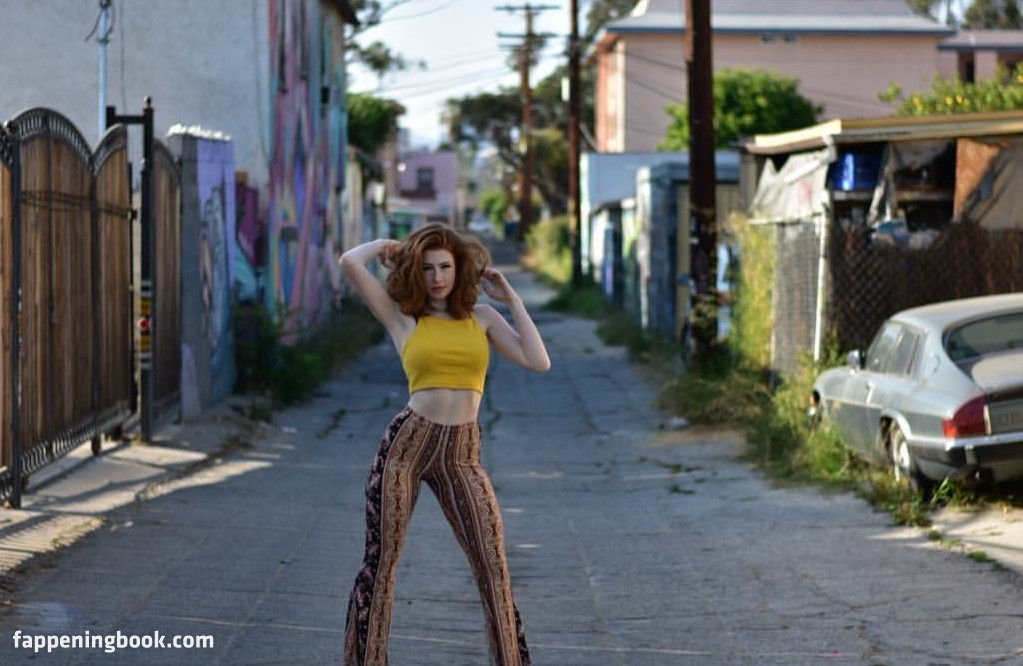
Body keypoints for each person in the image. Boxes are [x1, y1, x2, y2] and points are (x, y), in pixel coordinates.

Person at [339, 223, 550, 666]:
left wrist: (511, 298)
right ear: (415, 272)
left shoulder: (482, 318)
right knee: (382, 563)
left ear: (459, 270)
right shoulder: (403, 317)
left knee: (493, 565)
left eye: (445, 267)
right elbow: (349, 263)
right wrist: (388, 246)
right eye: (427, 268)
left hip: (462, 454)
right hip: (407, 447)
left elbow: (538, 361)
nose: (437, 277)